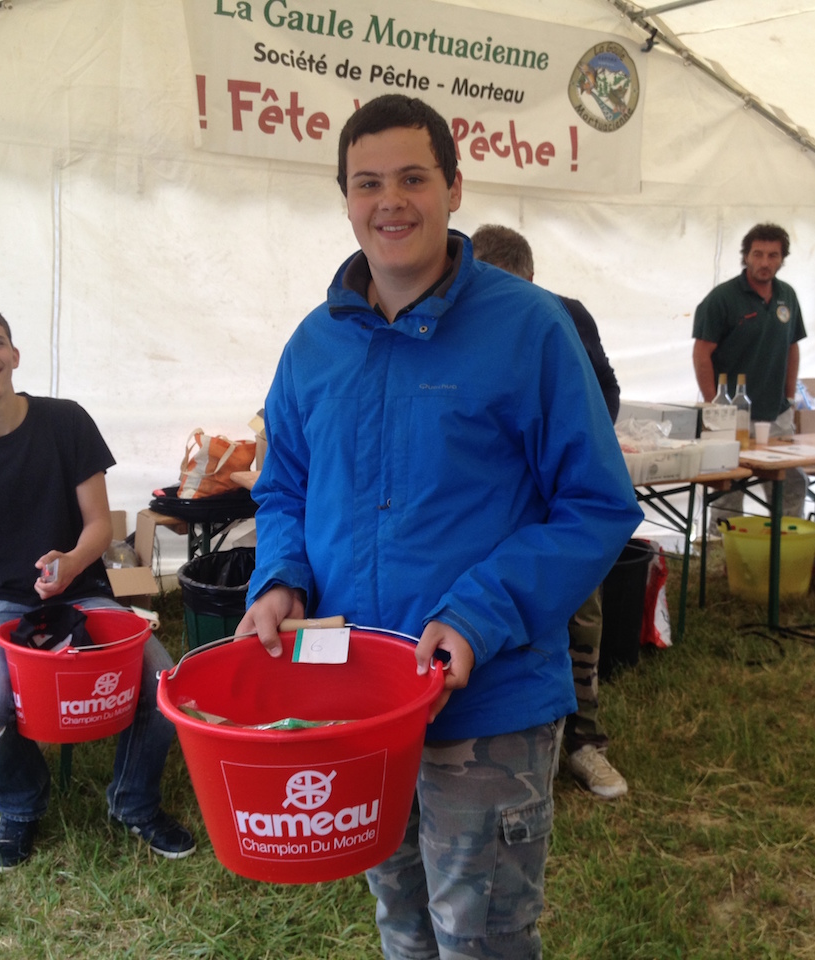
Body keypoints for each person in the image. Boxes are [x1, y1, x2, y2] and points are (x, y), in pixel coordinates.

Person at [237, 95, 642, 959]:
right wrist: (280, 578)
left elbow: (597, 503)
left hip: (488, 697)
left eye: (413, 178)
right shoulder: (314, 344)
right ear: (345, 199)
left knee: (480, 936)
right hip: (357, 695)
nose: (390, 201)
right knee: (402, 920)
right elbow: (284, 489)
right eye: (368, 183)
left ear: (455, 189)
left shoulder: (529, 328)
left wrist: (479, 613)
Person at [0, 301, 195, 872]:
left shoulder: (65, 421)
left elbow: (100, 525)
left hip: (79, 590)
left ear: (15, 353)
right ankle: (20, 807)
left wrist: (72, 562)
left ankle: (133, 802)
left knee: (163, 684)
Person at [470, 222, 628, 800]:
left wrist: (562, 455)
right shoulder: (455, 320)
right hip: (490, 511)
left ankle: (583, 742)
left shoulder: (564, 317)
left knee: (579, 613)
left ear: (533, 281)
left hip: (559, 501)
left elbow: (604, 395)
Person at [692, 223, 808, 522]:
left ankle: (786, 540)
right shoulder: (722, 298)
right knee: (728, 487)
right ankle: (722, 543)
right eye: (758, 254)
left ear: (782, 259)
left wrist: (790, 397)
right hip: (732, 414)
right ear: (746, 256)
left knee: (792, 482)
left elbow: (792, 346)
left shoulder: (787, 296)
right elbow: (702, 353)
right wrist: (715, 406)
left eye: (773, 255)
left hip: (776, 413)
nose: (765, 262)